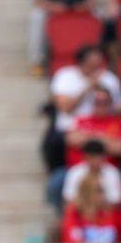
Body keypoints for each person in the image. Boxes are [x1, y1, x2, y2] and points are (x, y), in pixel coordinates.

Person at [44, 45, 121, 174]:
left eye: (99, 64)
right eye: (92, 64)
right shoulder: (65, 75)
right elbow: (65, 107)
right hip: (71, 127)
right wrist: (88, 86)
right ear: (82, 62)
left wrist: (98, 135)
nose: (97, 68)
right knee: (53, 145)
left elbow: (116, 108)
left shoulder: (109, 78)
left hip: (104, 127)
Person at [47, 86, 121, 210]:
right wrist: (106, 140)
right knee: (55, 183)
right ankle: (66, 222)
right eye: (97, 102)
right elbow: (71, 139)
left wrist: (88, 137)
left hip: (108, 170)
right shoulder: (81, 119)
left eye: (104, 102)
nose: (101, 106)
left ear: (110, 103)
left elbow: (118, 148)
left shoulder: (117, 123)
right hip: (78, 169)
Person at [61, 172, 120, 243]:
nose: (103, 195)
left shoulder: (113, 215)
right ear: (86, 193)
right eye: (98, 191)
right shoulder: (74, 215)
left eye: (103, 191)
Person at [62, 139, 121, 208]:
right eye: (92, 158)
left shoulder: (112, 172)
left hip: (106, 212)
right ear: (85, 157)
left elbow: (116, 200)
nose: (95, 161)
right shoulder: (75, 172)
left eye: (98, 158)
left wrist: (100, 202)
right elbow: (69, 198)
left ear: (104, 157)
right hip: (81, 211)